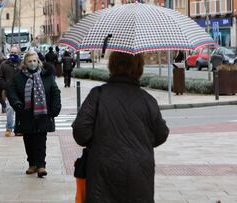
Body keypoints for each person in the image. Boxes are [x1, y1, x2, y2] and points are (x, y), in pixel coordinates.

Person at [72, 51, 169, 202]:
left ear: (112, 66)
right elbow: (161, 134)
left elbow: (80, 132)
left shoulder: (97, 95)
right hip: (139, 171)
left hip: (103, 171)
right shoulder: (148, 100)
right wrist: (141, 141)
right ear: (139, 68)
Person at [7, 51, 61, 177]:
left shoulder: (47, 76)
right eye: (29, 61)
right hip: (26, 114)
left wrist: (55, 107)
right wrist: (17, 103)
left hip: (43, 113)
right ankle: (32, 164)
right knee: (29, 139)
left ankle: (41, 165)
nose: (32, 63)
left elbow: (55, 91)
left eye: (35, 61)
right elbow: (12, 92)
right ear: (25, 63)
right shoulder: (18, 77)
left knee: (41, 140)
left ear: (39, 62)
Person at [0, 46, 22, 137]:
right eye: (12, 52)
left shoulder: (22, 64)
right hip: (9, 91)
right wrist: (5, 86)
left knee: (20, 110)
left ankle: (18, 129)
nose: (13, 54)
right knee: (9, 109)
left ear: (18, 53)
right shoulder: (4, 64)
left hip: (20, 91)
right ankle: (9, 127)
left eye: (15, 53)